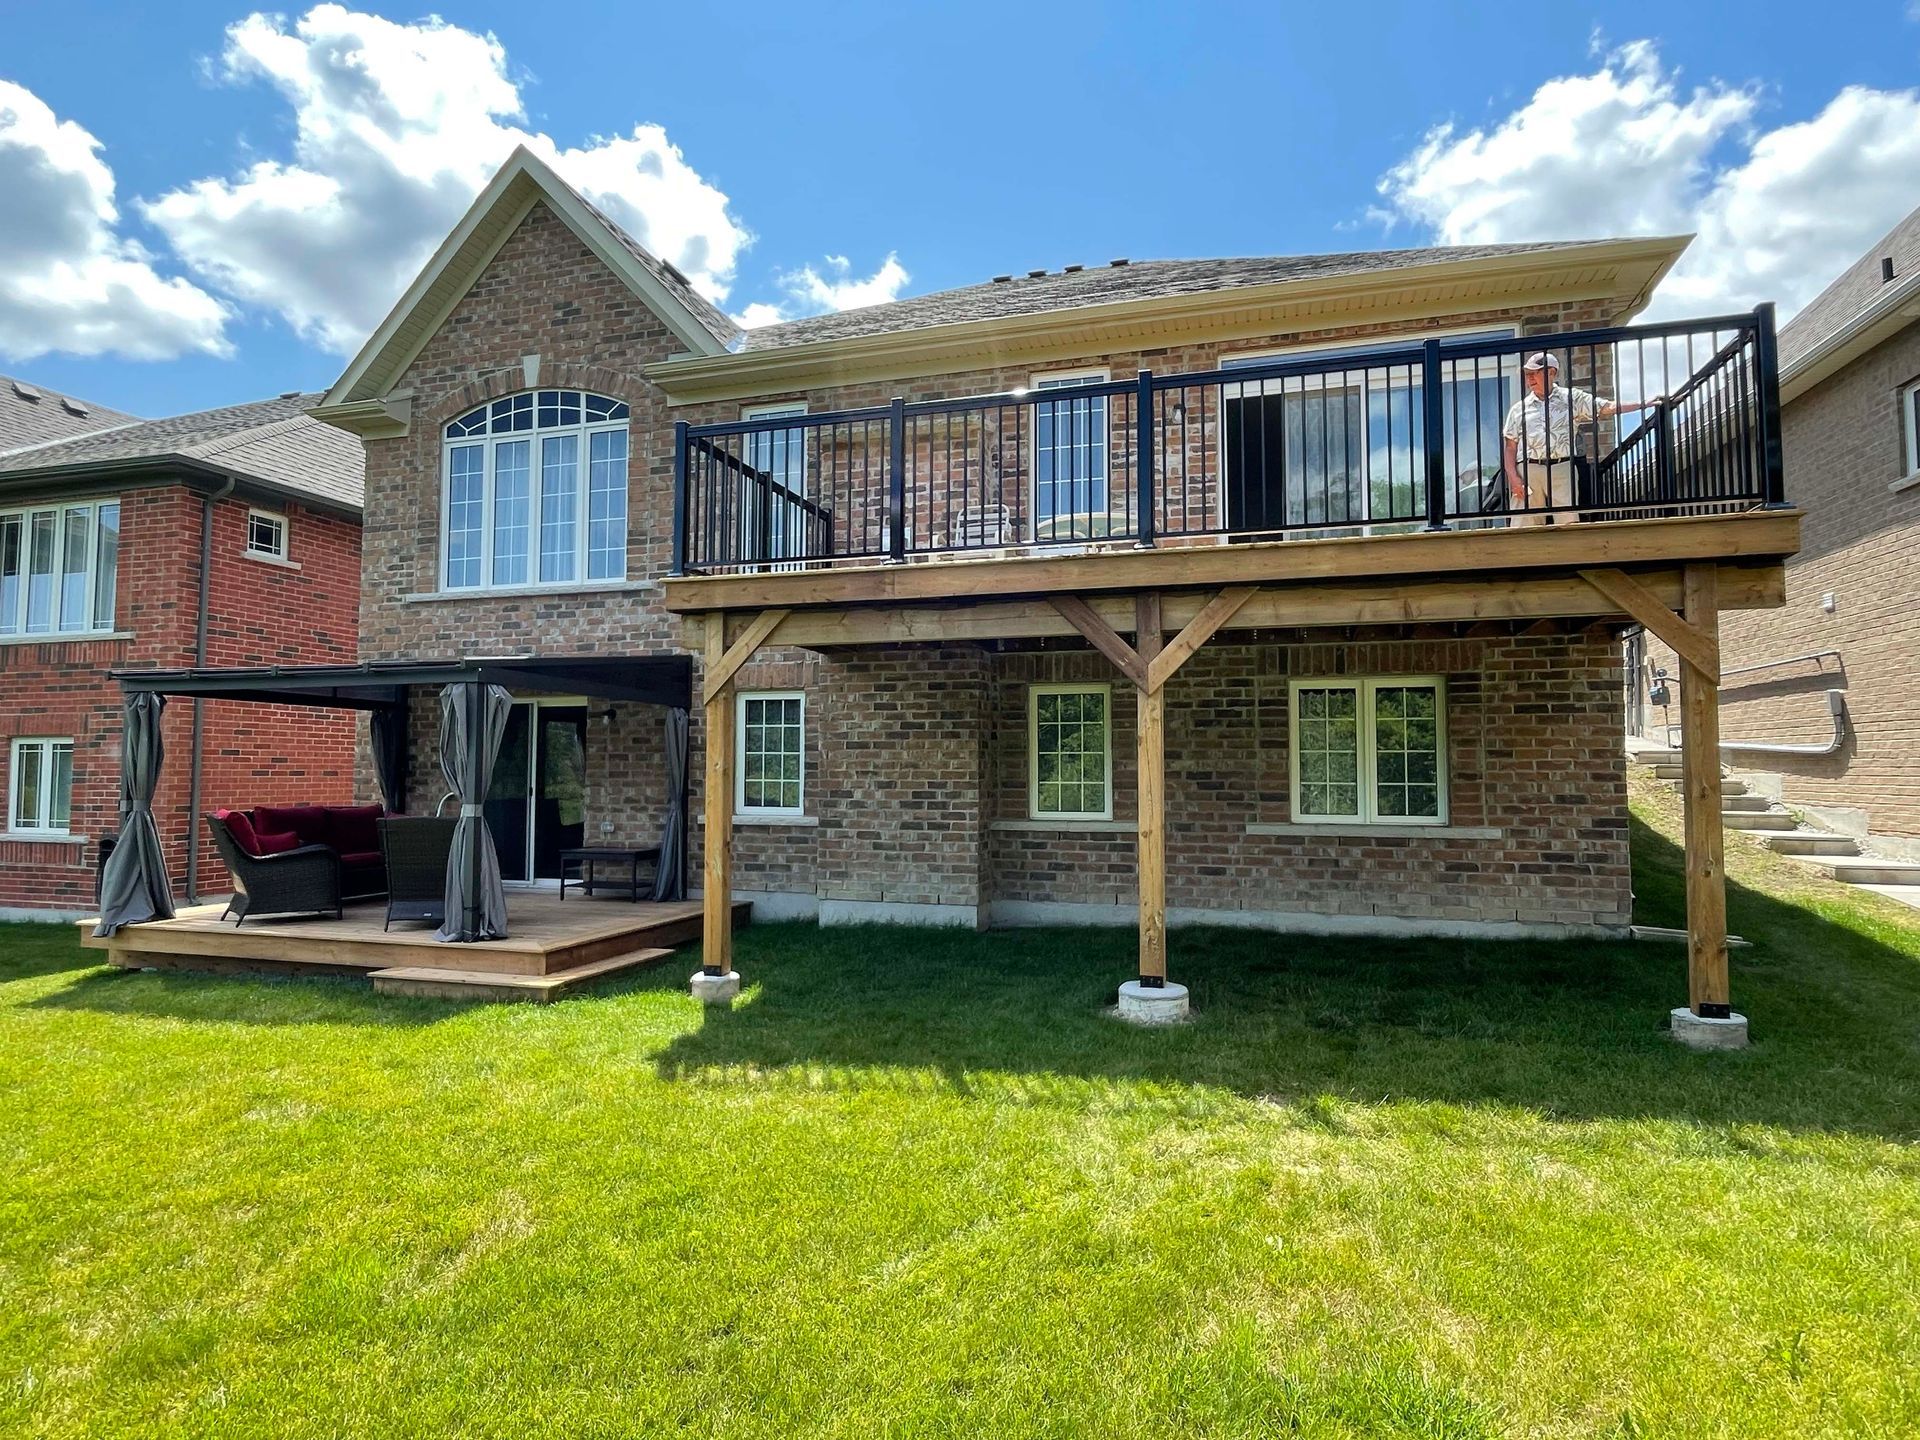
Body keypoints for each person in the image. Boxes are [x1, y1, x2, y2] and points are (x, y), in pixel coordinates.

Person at [1501, 352, 1657, 526]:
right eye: (1527, 374)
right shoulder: (1518, 409)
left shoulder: (1572, 398)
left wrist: (1644, 403)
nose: (1529, 378)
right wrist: (1514, 478)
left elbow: (1607, 407)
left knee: (1567, 521)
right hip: (1528, 470)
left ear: (1551, 372)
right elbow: (1510, 448)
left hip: (1562, 468)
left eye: (1534, 373)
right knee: (1524, 523)